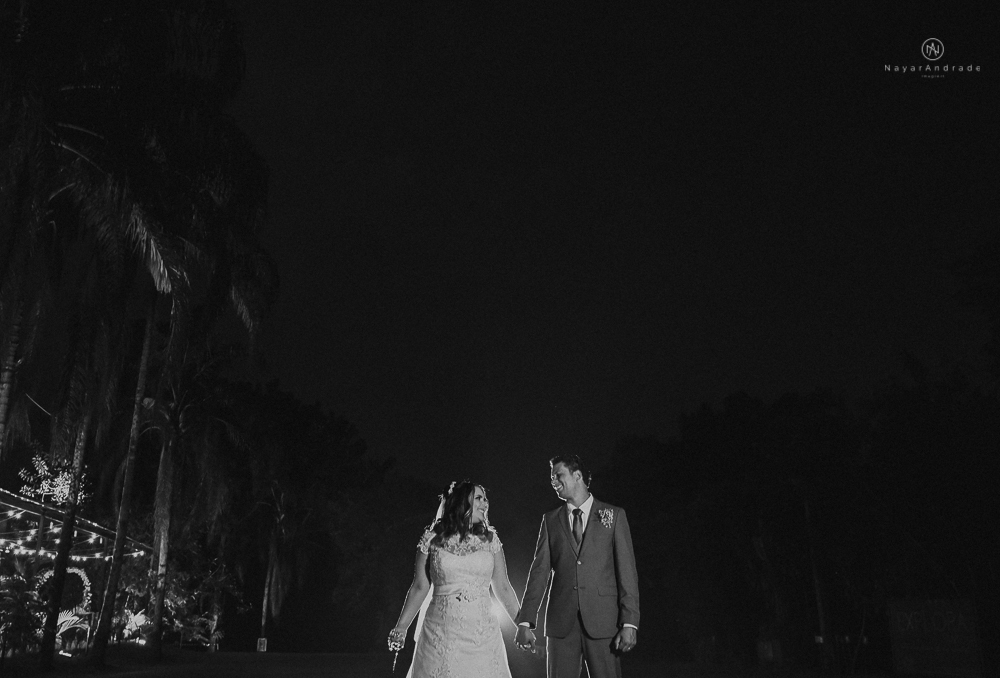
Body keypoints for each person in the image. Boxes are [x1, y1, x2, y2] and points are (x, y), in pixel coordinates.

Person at [515, 455, 640, 678]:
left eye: (558, 475)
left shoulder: (614, 515)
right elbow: (539, 572)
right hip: (560, 626)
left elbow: (627, 574)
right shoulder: (550, 520)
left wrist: (630, 622)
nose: (553, 481)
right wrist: (525, 621)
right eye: (551, 477)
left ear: (577, 475)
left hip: (604, 624)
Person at [389, 480, 521, 678]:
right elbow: (419, 586)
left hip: (482, 635)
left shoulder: (491, 540)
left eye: (486, 499)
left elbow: (502, 587)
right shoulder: (431, 539)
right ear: (462, 502)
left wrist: (523, 624)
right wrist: (401, 626)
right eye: (479, 498)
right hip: (440, 632)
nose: (485, 503)